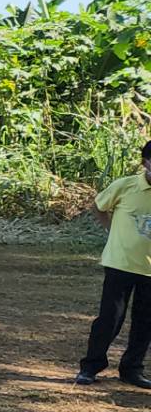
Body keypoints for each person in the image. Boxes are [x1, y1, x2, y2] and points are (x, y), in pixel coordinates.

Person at [74, 140, 151, 389]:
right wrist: (112, 230)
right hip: (120, 263)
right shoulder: (125, 186)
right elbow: (99, 207)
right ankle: (90, 366)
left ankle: (132, 369)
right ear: (146, 163)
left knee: (145, 321)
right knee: (110, 318)